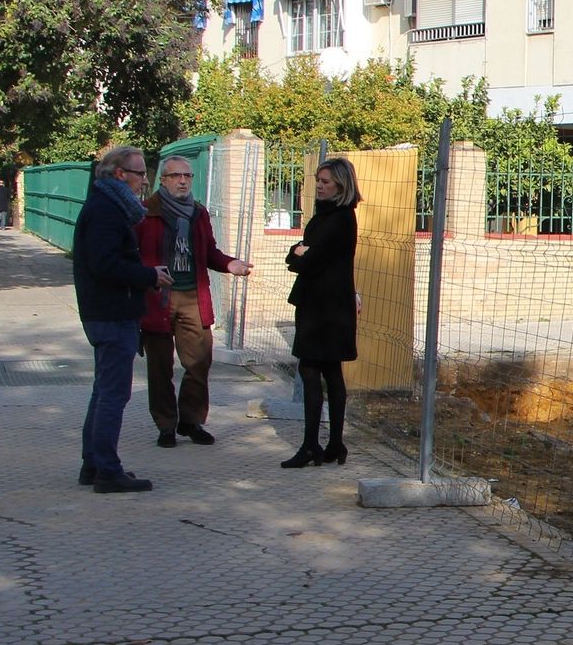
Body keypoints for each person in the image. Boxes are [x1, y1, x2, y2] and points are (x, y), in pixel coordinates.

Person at [72, 146, 171, 493]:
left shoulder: (107, 205)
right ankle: (107, 471)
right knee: (113, 394)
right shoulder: (106, 210)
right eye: (140, 173)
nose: (145, 180)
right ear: (119, 174)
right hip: (111, 313)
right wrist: (148, 275)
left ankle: (94, 464)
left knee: (104, 391)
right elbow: (105, 264)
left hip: (108, 311)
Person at [137, 156, 253, 448]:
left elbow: (209, 251)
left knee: (199, 361)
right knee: (160, 367)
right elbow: (132, 254)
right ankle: (166, 425)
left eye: (187, 176)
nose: (183, 181)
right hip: (158, 299)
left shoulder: (198, 213)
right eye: (176, 176)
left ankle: (191, 421)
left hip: (193, 296)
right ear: (163, 180)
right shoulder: (146, 212)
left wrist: (230, 264)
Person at [281, 157, 360, 469]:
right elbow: (299, 253)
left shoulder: (340, 218)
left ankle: (314, 445)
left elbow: (310, 260)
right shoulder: (325, 216)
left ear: (341, 185)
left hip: (326, 310)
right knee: (325, 372)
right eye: (318, 180)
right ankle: (330, 444)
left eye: (326, 182)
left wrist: (301, 254)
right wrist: (299, 253)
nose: (320, 186)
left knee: (313, 370)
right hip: (320, 304)